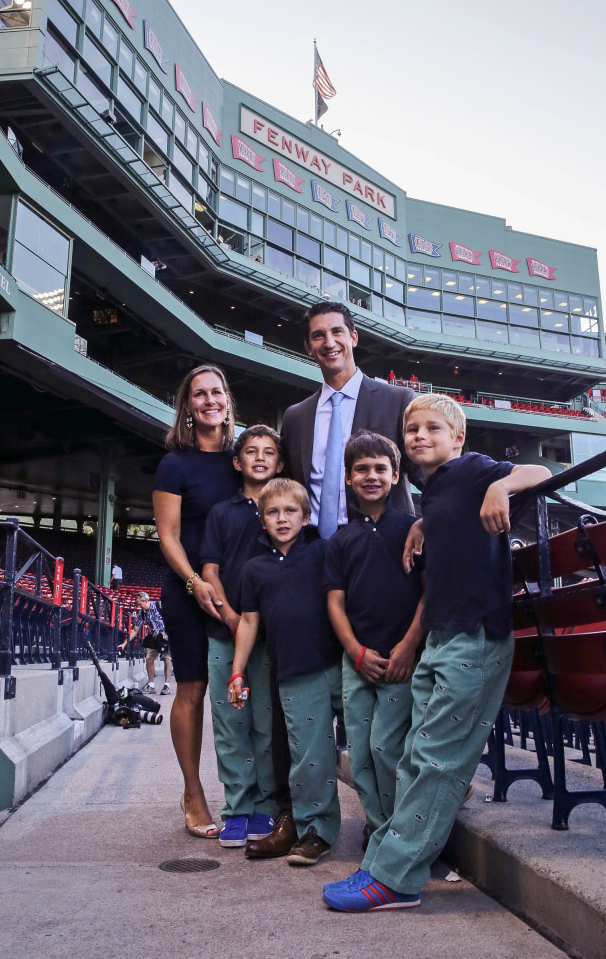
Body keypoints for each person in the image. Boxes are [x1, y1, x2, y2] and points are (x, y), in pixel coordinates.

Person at [323, 393, 551, 911]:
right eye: (412, 430)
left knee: (434, 760)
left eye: (432, 428)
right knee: (414, 756)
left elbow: (538, 473)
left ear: (458, 438)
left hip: (474, 636)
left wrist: (502, 482)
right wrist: (427, 524)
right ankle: (387, 860)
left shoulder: (473, 471)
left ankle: (396, 880)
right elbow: (453, 521)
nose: (420, 435)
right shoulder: (438, 489)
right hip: (443, 638)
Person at [229, 479, 342, 866]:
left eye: (290, 511)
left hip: (340, 662)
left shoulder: (324, 552)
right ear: (262, 520)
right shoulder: (254, 569)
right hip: (295, 671)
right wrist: (238, 671)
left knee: (368, 747)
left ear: (306, 516)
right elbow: (248, 621)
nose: (282, 518)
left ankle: (384, 826)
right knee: (309, 757)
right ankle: (315, 831)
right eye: (272, 512)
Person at [153, 364, 241, 839]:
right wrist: (193, 582)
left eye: (217, 392)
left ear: (227, 399)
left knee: (244, 692)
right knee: (192, 690)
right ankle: (193, 792)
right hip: (189, 591)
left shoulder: (241, 459)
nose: (210, 400)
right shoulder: (176, 463)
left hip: (237, 594)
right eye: (200, 394)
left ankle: (250, 794)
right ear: (187, 405)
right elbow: (167, 535)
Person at [323, 431, 424, 847]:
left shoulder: (413, 530)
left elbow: (427, 595)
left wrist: (408, 647)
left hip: (401, 658)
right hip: (358, 660)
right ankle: (378, 826)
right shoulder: (340, 539)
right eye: (361, 469)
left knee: (387, 748)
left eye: (380, 468)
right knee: (360, 753)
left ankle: (401, 829)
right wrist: (355, 651)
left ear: (396, 474)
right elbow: (334, 602)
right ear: (348, 477)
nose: (371, 476)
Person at [200, 425, 284, 848]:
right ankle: (237, 807)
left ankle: (266, 806)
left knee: (266, 723)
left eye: (269, 452)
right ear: (237, 462)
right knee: (232, 723)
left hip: (270, 641)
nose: (259, 458)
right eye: (251, 452)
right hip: (224, 635)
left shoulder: (286, 510)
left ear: (280, 462)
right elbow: (210, 571)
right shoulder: (222, 512)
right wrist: (233, 619)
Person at [281, 301, 420, 538]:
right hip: (312, 544)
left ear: (353, 337)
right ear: (308, 347)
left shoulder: (397, 400)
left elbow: (424, 473)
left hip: (382, 541)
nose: (329, 343)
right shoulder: (295, 416)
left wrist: (427, 521)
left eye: (337, 332)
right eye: (318, 335)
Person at [117, 591, 172, 695]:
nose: (138, 607)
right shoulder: (141, 613)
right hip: (154, 637)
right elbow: (134, 630)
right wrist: (124, 644)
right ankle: (151, 686)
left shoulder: (159, 605)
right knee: (149, 658)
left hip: (167, 635)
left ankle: (167, 686)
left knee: (167, 658)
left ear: (145, 601)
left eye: (139, 604)